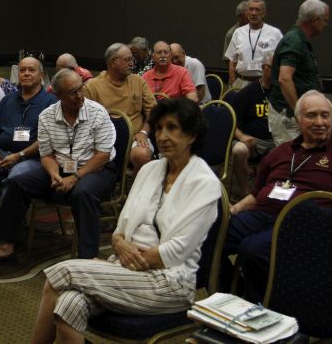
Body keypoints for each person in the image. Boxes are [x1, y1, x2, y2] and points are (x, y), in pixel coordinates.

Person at [28, 98, 221, 343]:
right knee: (68, 304)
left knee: (62, 273)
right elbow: (120, 230)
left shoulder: (204, 183)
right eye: (158, 128)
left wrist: (121, 264)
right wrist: (119, 247)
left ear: (192, 135)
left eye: (172, 128)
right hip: (126, 268)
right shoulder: (150, 170)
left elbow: (175, 252)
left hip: (170, 283)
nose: (162, 136)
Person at [223, 91, 332, 302]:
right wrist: (234, 210)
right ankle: (228, 293)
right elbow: (256, 194)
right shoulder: (281, 151)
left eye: (325, 115)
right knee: (211, 236)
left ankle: (260, 307)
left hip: (304, 224)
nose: (320, 122)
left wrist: (328, 225)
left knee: (253, 249)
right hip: (260, 215)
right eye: (312, 115)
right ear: (298, 120)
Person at [0, 69, 116, 266]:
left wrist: (74, 178)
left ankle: (87, 259)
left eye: (80, 89)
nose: (80, 95)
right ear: (58, 95)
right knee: (17, 182)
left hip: (95, 168)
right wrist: (54, 174)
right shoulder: (47, 116)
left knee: (82, 193)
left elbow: (103, 155)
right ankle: (4, 247)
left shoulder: (97, 113)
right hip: (60, 166)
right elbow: (47, 154)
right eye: (72, 92)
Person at [83, 43, 156, 172]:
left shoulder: (138, 81)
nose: (132, 64)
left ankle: (135, 185)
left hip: (135, 137)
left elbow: (153, 110)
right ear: (113, 62)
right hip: (103, 140)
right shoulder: (92, 86)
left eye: (132, 59)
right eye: (127, 60)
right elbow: (84, 119)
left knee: (142, 155)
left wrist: (144, 132)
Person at [267, 0, 330, 146]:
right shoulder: (294, 40)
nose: (326, 25)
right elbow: (284, 79)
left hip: (294, 115)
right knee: (291, 157)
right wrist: (299, 112)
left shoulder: (299, 40)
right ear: (315, 20)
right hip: (289, 115)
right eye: (325, 20)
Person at [0, 57, 57, 186]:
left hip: (33, 158)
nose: (26, 73)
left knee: (17, 175)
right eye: (22, 70)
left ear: (41, 75)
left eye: (31, 70)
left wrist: (19, 155)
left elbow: (47, 139)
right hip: (2, 154)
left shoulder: (52, 102)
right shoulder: (7, 100)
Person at [226, 56, 275, 201]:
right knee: (238, 150)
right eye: (274, 68)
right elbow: (230, 121)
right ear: (264, 68)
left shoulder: (281, 92)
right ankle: (245, 192)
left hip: (274, 140)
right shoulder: (248, 92)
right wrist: (242, 137)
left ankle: (270, 195)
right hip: (252, 140)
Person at [225, 0, 283, 91]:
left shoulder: (275, 33)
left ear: (264, 13)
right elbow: (232, 62)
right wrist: (233, 82)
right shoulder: (238, 32)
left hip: (264, 83)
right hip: (241, 82)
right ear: (246, 12)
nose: (254, 13)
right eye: (251, 9)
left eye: (257, 10)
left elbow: (282, 61)